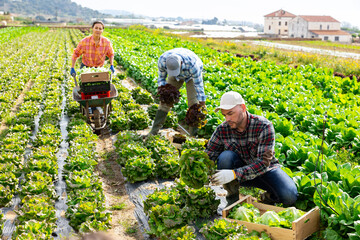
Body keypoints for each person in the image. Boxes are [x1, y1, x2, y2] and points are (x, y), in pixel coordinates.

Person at [206, 91, 298, 205]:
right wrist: (196, 170)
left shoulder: (263, 126)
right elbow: (209, 154)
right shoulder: (222, 130)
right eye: (224, 115)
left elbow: (263, 163)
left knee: (290, 195)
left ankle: (269, 197)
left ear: (243, 108)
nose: (227, 119)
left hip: (265, 171)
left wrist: (234, 174)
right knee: (226, 157)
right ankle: (232, 200)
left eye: (230, 113)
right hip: (240, 173)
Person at [148, 48, 206, 136]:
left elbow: (198, 85)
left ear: (181, 63)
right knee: (165, 101)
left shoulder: (193, 66)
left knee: (194, 105)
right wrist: (163, 92)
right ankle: (153, 131)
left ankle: (193, 137)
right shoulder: (162, 61)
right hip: (175, 76)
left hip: (190, 76)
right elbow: (161, 78)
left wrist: (201, 103)